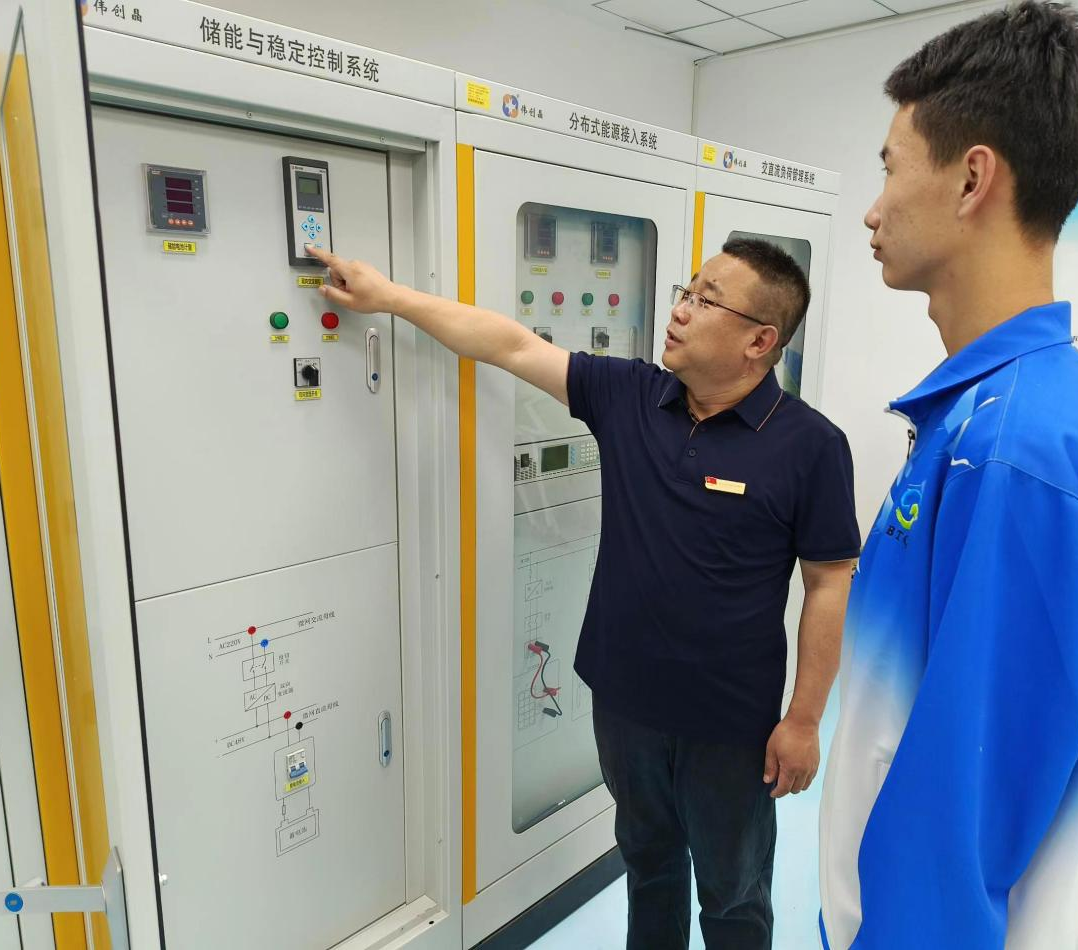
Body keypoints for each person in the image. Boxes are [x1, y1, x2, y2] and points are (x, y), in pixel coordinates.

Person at [306, 236, 860, 949]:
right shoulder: (631, 395)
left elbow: (827, 584)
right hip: (624, 703)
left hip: (728, 722)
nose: (680, 311)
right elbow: (509, 345)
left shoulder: (810, 445)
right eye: (686, 292)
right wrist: (389, 297)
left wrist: (804, 721)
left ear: (760, 340)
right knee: (649, 867)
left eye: (705, 301)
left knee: (733, 893)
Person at [818, 4, 1078, 949]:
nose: (872, 209)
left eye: (888, 167)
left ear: (970, 179)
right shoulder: (997, 412)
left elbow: (966, 807)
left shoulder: (1009, 447)